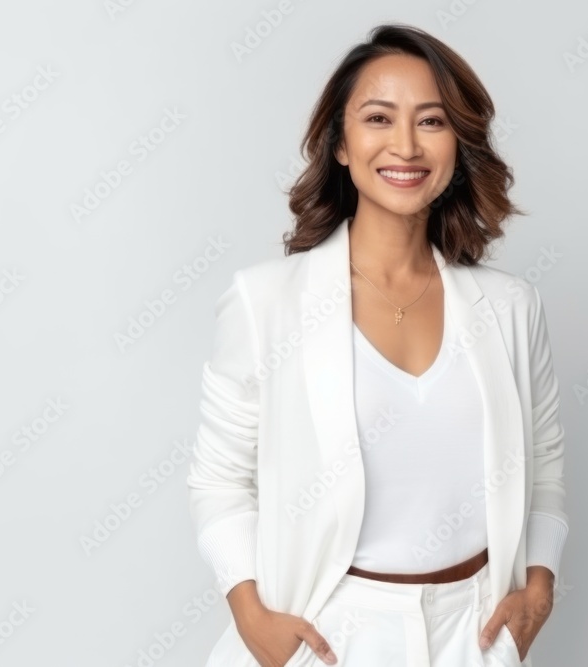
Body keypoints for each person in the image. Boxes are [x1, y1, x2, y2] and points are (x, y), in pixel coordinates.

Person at [186, 23, 568, 667]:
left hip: (472, 633)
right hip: (329, 634)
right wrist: (252, 617)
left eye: (432, 122)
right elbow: (219, 479)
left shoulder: (509, 307)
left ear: (458, 145)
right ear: (339, 143)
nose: (405, 145)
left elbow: (545, 466)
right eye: (378, 118)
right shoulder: (265, 303)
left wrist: (538, 590)